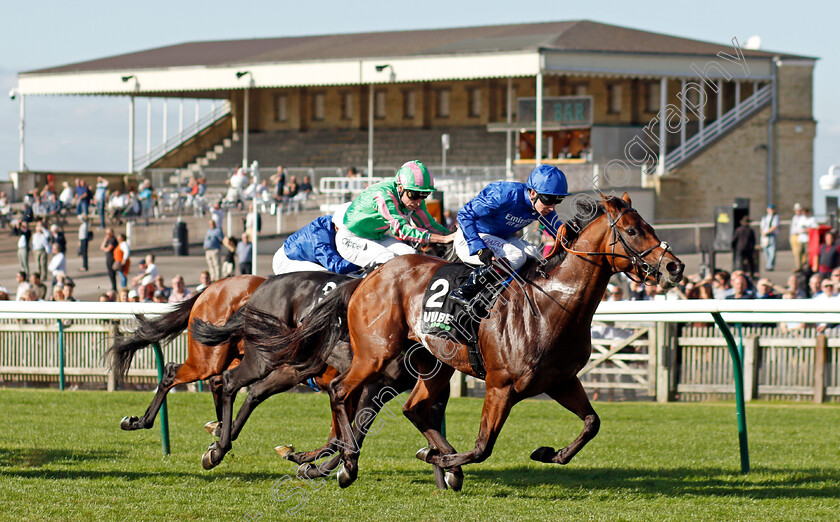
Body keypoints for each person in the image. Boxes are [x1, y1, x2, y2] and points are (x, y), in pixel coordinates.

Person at [448, 164, 567, 306]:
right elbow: (464, 215)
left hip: (498, 239)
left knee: (534, 253)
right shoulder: (504, 194)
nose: (552, 206)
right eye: (549, 199)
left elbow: (560, 233)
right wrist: (479, 247)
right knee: (517, 255)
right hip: (470, 237)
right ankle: (468, 289)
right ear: (533, 193)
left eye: (557, 200)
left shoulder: (542, 206)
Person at [336, 160, 453, 269]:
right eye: (414, 195)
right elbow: (402, 230)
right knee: (388, 259)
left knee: (412, 256)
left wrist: (452, 236)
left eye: (424, 195)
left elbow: (428, 225)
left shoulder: (413, 197)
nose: (418, 201)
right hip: (352, 238)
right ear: (400, 187)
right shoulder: (383, 195)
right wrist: (444, 239)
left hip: (378, 237)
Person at [272, 209, 360, 275]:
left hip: (311, 259)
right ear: (336, 227)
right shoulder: (320, 236)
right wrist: (363, 261)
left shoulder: (339, 221)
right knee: (329, 277)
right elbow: (335, 266)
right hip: (288, 261)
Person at [759, 204, 779, 271]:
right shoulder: (765, 217)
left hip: (771, 235)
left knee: (772, 251)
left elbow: (774, 226)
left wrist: (767, 232)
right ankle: (768, 263)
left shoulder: (775, 217)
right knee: (765, 251)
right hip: (764, 236)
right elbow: (761, 226)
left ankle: (770, 265)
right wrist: (762, 233)